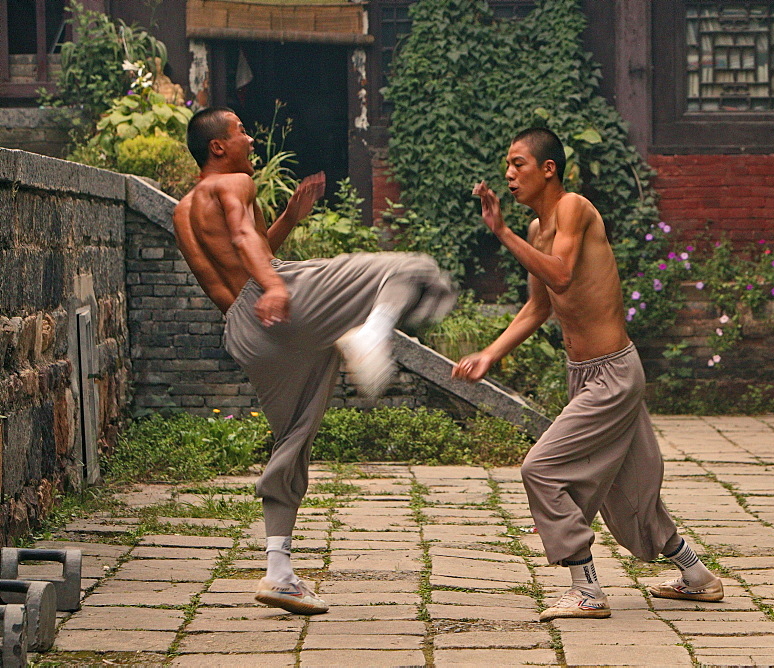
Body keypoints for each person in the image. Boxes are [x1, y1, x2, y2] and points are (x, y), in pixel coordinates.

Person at [173, 107, 455, 614]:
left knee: (292, 441)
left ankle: (278, 572)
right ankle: (370, 331)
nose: (251, 138)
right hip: (278, 297)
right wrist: (277, 284)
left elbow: (243, 252)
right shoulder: (234, 182)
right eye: (241, 131)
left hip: (247, 330)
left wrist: (288, 220)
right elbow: (243, 240)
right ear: (218, 147)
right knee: (415, 269)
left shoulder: (183, 210)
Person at [453, 128, 724, 621]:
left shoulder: (573, 207)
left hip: (614, 373)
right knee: (631, 491)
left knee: (541, 469)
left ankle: (586, 588)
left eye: (518, 165)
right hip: (586, 373)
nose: (509, 175)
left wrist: (502, 232)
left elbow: (561, 273)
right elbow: (538, 307)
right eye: (507, 167)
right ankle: (697, 576)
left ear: (548, 168)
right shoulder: (537, 231)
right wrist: (490, 354)